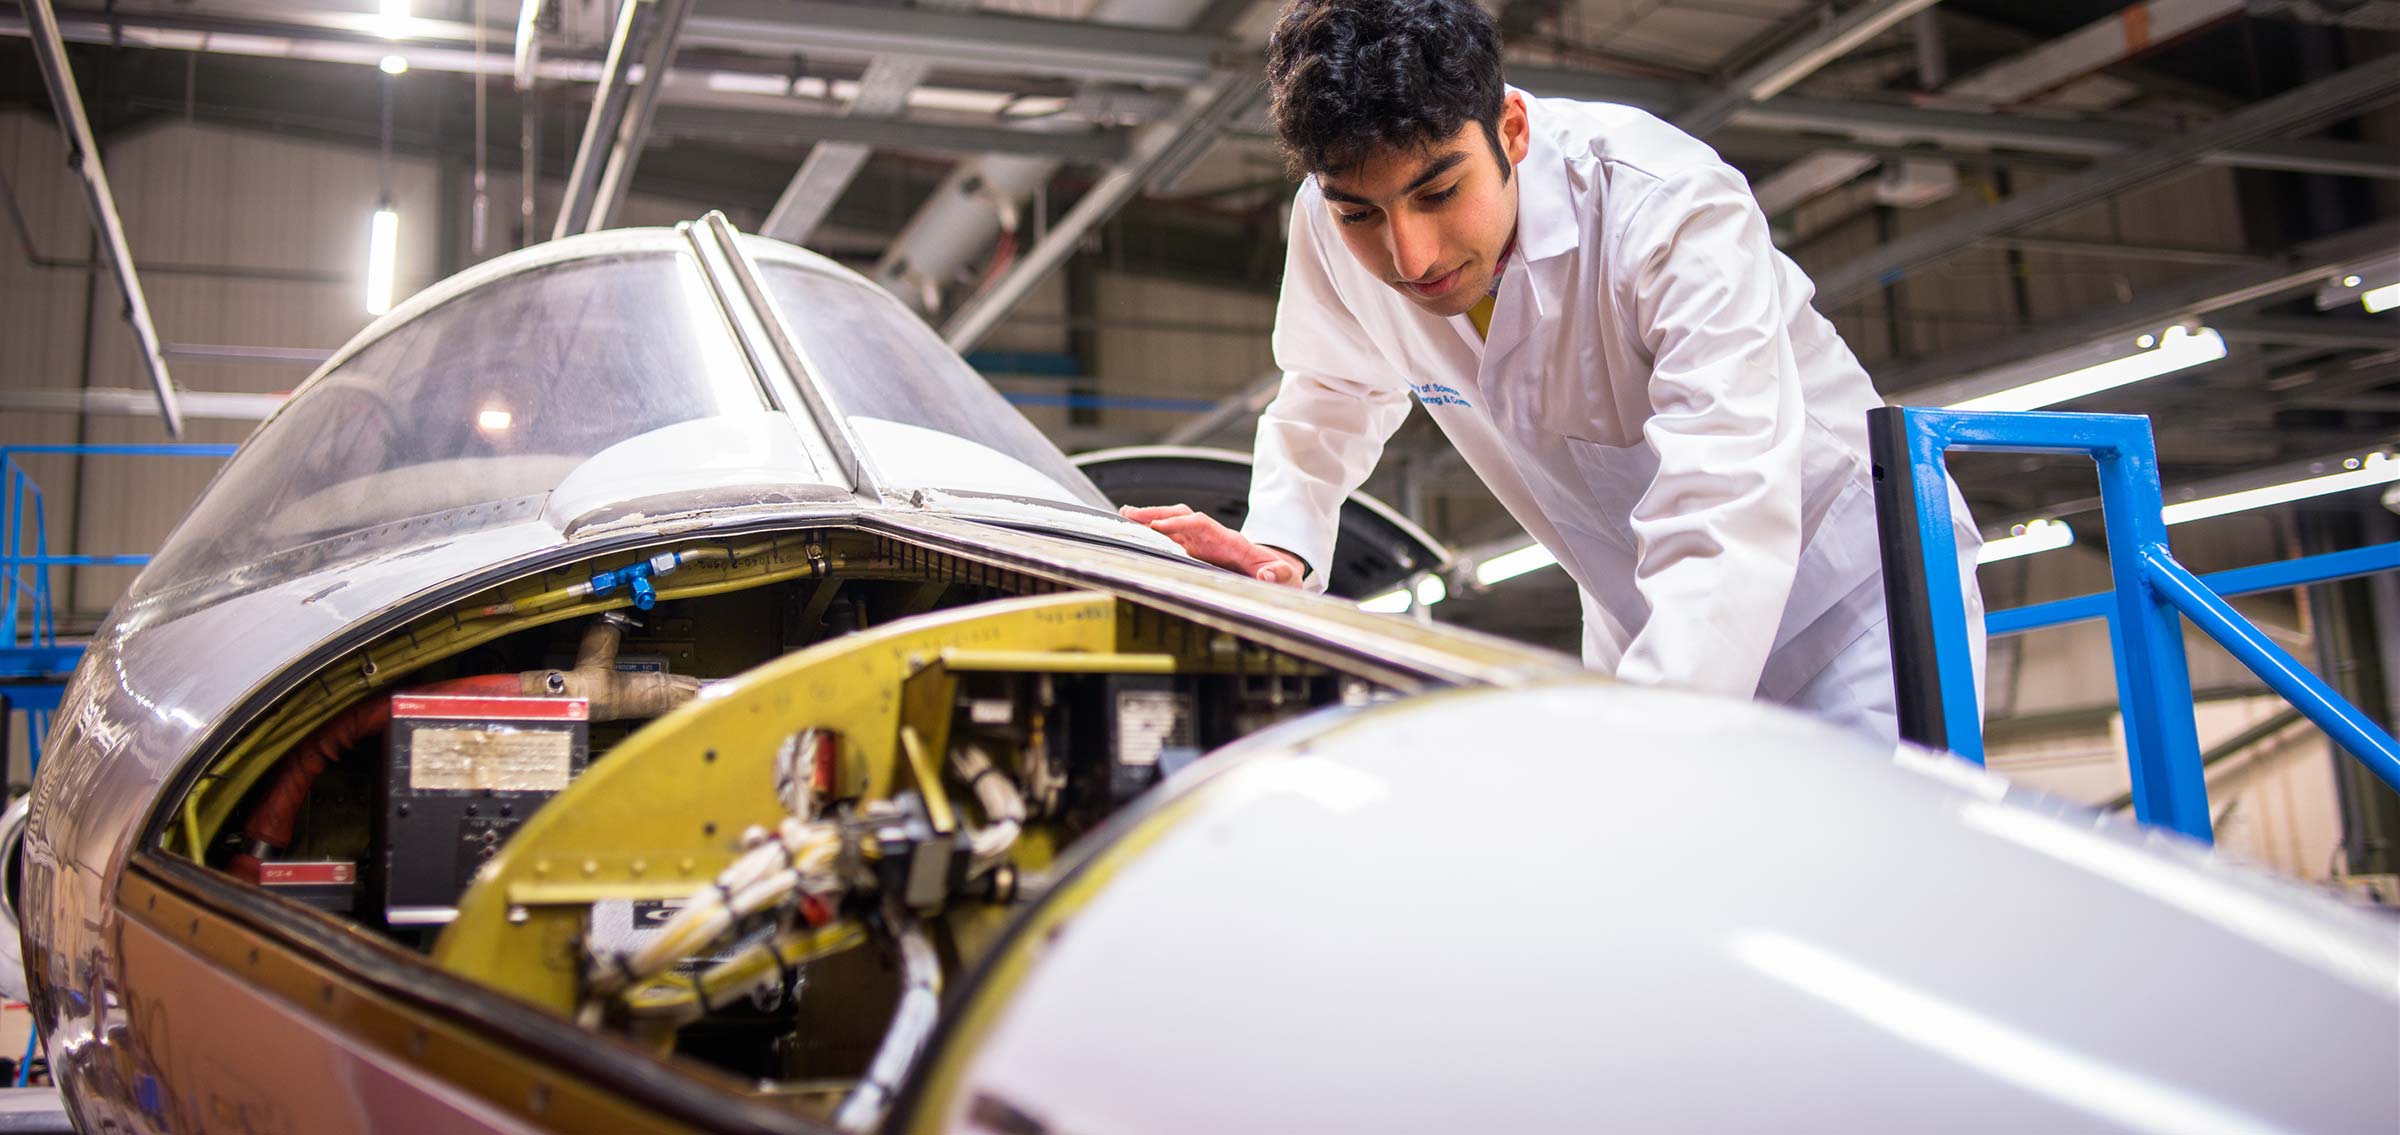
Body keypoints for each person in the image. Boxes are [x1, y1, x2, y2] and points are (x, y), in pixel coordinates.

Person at [1122, 0, 1985, 745]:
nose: (1408, 254)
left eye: (1436, 193)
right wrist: (1279, 546)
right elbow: (1330, 391)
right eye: (1361, 213)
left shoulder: (1671, 210)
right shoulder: (1328, 218)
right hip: (1634, 612)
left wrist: (1651, 729)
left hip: (1849, 601)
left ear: (1512, 131)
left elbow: (1725, 504)